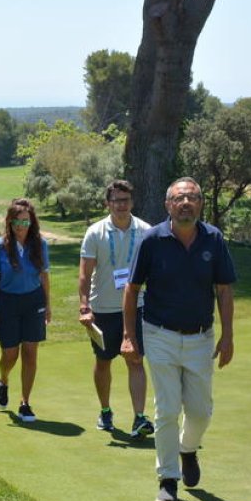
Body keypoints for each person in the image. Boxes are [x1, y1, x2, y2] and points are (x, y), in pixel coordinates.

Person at [122, 177, 236, 501]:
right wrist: (130, 337)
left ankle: (188, 449)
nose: (185, 203)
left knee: (200, 412)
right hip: (160, 334)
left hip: (201, 337)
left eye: (192, 198)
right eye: (179, 198)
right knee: (168, 409)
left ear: (201, 203)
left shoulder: (213, 239)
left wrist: (228, 336)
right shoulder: (152, 239)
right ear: (168, 205)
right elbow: (132, 290)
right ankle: (168, 479)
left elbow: (224, 289)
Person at [78, 180, 154, 437]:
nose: (121, 206)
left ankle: (139, 418)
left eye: (125, 200)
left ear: (132, 202)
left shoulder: (146, 230)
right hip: (103, 308)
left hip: (136, 307)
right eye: (116, 201)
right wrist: (84, 306)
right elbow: (84, 273)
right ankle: (106, 410)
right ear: (108, 203)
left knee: (135, 360)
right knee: (103, 361)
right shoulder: (95, 232)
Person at [0, 198, 50, 423]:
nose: (21, 227)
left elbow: (44, 276)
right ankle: (3, 381)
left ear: (32, 222)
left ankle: (25, 402)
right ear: (10, 223)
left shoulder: (40, 245)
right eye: (17, 222)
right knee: (10, 353)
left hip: (33, 302)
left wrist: (48, 305)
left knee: (31, 353)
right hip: (7, 302)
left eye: (26, 222)